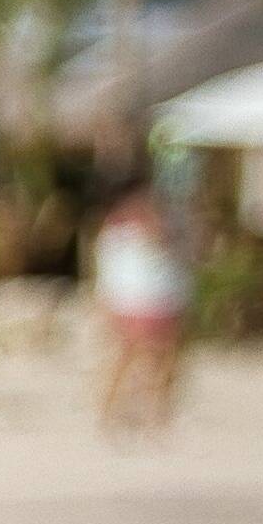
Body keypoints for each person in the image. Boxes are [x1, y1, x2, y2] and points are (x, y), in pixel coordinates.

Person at [90, 187, 192, 438]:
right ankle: (114, 411)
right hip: (135, 303)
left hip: (158, 301)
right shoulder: (121, 235)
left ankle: (155, 413)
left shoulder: (162, 234)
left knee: (162, 360)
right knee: (127, 358)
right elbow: (112, 274)